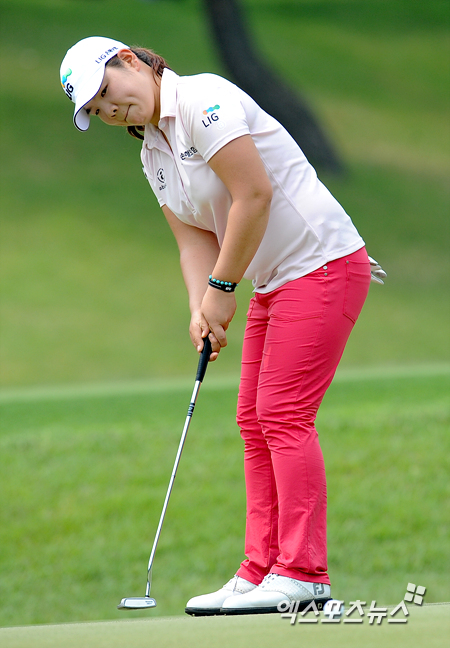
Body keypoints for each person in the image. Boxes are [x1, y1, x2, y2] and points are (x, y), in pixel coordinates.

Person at [60, 36, 386, 616]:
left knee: (282, 414)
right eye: (97, 109)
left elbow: (253, 196)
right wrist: (200, 307)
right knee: (253, 421)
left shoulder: (203, 99)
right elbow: (194, 243)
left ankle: (304, 574)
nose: (111, 110)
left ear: (131, 61)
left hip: (321, 262)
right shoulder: (152, 153)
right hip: (272, 279)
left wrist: (222, 289)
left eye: (107, 91)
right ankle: (260, 568)